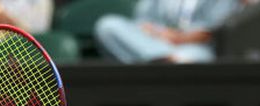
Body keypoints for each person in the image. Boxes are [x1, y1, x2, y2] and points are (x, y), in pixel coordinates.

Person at [93, 0, 242, 64]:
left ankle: (160, 63)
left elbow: (212, 30)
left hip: (194, 48)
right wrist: (161, 34)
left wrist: (179, 38)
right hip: (153, 44)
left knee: (192, 59)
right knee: (108, 26)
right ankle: (161, 60)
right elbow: (143, 21)